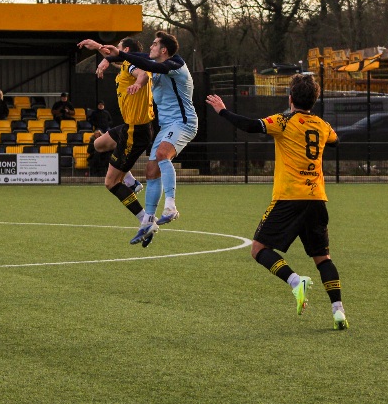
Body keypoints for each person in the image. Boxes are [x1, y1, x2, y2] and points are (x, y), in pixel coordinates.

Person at [205, 74, 348, 330]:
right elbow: (337, 142)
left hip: (289, 198)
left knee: (258, 249)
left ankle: (295, 281)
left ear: (290, 98)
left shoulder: (283, 122)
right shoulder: (322, 125)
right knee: (323, 258)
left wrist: (223, 111)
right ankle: (338, 311)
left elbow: (250, 126)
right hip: (317, 199)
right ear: (314, 100)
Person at [98, 31, 198, 246]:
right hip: (166, 126)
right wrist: (108, 56)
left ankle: (170, 206)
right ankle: (148, 221)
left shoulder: (175, 64)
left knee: (162, 155)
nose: (150, 47)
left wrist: (120, 57)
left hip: (183, 122)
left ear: (164, 50)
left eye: (154, 44)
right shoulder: (155, 62)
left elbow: (143, 64)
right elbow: (137, 58)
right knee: (151, 171)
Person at [78, 37, 155, 244]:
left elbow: (142, 75)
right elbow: (115, 58)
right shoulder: (127, 64)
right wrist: (99, 50)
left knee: (111, 183)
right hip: (129, 127)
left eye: (119, 48)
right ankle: (132, 182)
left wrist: (138, 84)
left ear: (126, 50)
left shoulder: (132, 66)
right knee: (99, 144)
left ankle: (146, 220)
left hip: (136, 131)